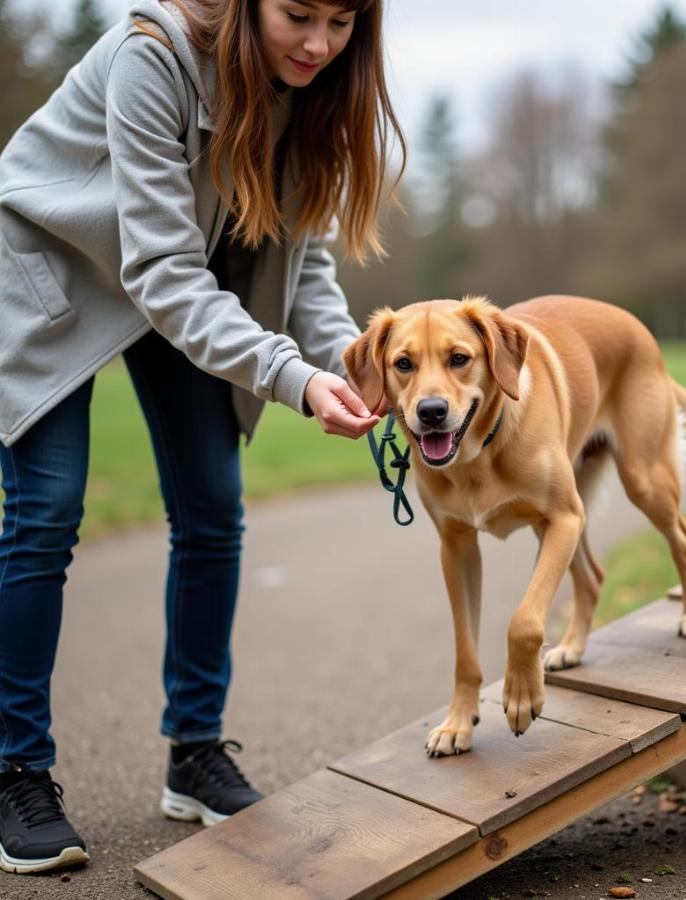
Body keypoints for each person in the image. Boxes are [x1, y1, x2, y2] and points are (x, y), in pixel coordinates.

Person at [0, 0, 404, 875]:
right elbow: (158, 268)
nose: (320, 44)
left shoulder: (311, 91)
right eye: (298, 15)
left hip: (181, 285)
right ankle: (15, 769)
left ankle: (195, 751)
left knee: (214, 506)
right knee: (47, 508)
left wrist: (358, 362)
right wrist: (293, 378)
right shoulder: (155, 56)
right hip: (50, 264)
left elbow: (304, 266)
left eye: (341, 23)